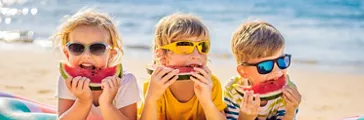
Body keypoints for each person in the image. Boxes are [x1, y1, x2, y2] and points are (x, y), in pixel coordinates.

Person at [224, 21, 301, 120]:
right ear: (243, 72)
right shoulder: (232, 91)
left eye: (281, 61)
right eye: (265, 66)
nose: (277, 72)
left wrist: (290, 112)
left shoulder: (288, 93)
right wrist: (245, 117)